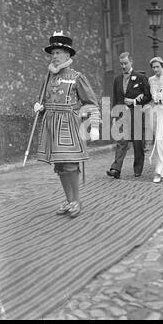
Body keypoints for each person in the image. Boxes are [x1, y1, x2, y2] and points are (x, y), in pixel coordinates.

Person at [33, 31, 100, 218]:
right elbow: (44, 99)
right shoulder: (49, 77)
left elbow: (91, 102)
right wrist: (40, 107)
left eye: (58, 53)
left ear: (67, 55)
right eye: (52, 53)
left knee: (70, 165)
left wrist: (93, 125)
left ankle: (76, 201)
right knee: (60, 166)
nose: (54, 57)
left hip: (68, 124)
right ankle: (69, 200)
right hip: (51, 124)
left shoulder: (77, 76)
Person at [106, 52, 151, 179]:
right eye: (121, 64)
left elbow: (148, 96)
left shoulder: (140, 78)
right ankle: (116, 169)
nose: (123, 66)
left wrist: (135, 101)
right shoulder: (117, 79)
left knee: (137, 143)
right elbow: (115, 98)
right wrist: (114, 116)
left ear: (131, 62)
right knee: (121, 141)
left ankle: (137, 169)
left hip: (136, 113)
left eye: (125, 63)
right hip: (121, 114)